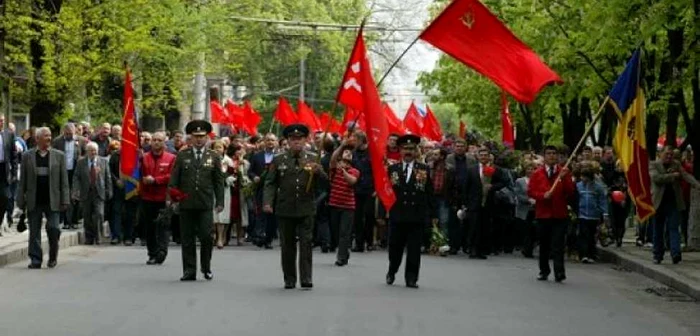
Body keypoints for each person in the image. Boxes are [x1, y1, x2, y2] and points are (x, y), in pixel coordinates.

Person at [263, 124, 326, 289]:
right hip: (285, 208)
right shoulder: (278, 159)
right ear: (288, 141)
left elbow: (326, 184)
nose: (296, 142)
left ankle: (306, 278)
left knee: (306, 243)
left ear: (305, 140)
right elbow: (270, 183)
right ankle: (289, 278)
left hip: (306, 207)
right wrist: (268, 202)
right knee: (287, 245)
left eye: (300, 139)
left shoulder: (314, 158)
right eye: (293, 139)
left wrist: (319, 172)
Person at [169, 120, 224, 281]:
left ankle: (206, 267)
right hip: (186, 203)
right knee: (187, 239)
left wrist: (220, 201)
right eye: (196, 136)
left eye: (202, 136)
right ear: (191, 138)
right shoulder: (182, 155)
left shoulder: (213, 156)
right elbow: (174, 179)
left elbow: (218, 181)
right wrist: (172, 197)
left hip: (205, 203)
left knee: (207, 237)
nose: (199, 139)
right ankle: (189, 270)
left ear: (207, 138)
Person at [386, 134, 436, 289]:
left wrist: (433, 215)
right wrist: (383, 213)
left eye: (411, 149)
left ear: (416, 151)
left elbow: (429, 193)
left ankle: (411, 278)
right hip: (397, 216)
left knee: (414, 250)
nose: (408, 152)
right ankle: (392, 270)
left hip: (416, 216)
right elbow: (386, 193)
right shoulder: (392, 169)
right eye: (405, 148)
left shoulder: (424, 169)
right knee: (395, 249)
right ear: (400, 150)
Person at [18, 127, 70, 269]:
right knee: (34, 232)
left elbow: (64, 181)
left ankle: (53, 256)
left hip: (53, 200)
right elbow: (22, 180)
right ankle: (35, 259)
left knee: (53, 229)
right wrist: (20, 200)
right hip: (34, 199)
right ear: (37, 139)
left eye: (50, 136)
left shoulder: (59, 156)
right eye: (45, 136)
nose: (49, 138)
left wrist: (65, 199)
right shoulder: (27, 156)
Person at [528, 145, 575, 283]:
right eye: (548, 153)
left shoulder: (563, 172)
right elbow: (531, 191)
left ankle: (559, 272)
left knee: (558, 244)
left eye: (554, 153)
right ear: (544, 156)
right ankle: (544, 270)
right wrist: (543, 195)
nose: (552, 156)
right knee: (544, 244)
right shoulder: (537, 173)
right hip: (543, 214)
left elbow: (570, 191)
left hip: (559, 214)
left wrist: (565, 178)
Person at [650, 146, 700, 264]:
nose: (669, 156)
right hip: (658, 202)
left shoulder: (676, 164)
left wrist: (697, 184)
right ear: (660, 154)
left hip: (673, 202)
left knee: (673, 228)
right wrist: (672, 176)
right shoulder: (653, 165)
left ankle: (676, 253)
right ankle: (658, 254)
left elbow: (686, 175)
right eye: (667, 154)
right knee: (658, 229)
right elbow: (657, 178)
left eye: (671, 155)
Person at [140, 131, 176, 264]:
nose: (156, 142)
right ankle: (152, 253)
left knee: (163, 226)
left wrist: (155, 180)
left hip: (163, 198)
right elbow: (138, 175)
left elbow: (172, 176)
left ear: (164, 142)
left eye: (159, 140)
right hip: (147, 198)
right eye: (154, 140)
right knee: (149, 227)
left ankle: (162, 251)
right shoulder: (144, 158)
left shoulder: (171, 158)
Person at [72, 142, 112, 245]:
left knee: (99, 214)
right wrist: (76, 189)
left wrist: (109, 190)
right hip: (86, 192)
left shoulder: (103, 161)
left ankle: (98, 237)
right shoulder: (81, 162)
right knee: (87, 215)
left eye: (95, 150)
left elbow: (108, 177)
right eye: (91, 150)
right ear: (87, 151)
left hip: (99, 192)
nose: (93, 152)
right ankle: (89, 238)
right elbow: (76, 177)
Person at [328, 144, 359, 266]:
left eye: (350, 153)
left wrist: (344, 170)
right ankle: (344, 251)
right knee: (335, 232)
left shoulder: (355, 171)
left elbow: (352, 181)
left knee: (344, 233)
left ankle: (341, 257)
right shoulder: (334, 167)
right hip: (334, 204)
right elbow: (332, 159)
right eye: (346, 152)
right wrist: (342, 146)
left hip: (348, 206)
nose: (348, 154)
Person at [52, 123, 86, 229]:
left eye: (71, 133)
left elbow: (86, 153)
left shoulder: (82, 141)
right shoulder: (57, 141)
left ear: (75, 132)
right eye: (66, 134)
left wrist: (82, 158)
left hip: (76, 171)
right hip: (63, 171)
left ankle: (75, 220)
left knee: (75, 195)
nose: (69, 136)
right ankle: (65, 221)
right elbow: (53, 155)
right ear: (63, 132)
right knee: (64, 195)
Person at [575, 161, 609, 263]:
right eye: (582, 176)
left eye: (585, 177)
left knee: (592, 236)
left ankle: (591, 255)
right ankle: (583, 254)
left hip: (594, 215)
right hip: (582, 214)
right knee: (583, 234)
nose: (583, 179)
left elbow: (602, 201)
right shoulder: (578, 186)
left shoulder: (598, 187)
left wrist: (605, 213)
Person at [249, 133, 278, 248]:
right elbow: (250, 171)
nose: (270, 142)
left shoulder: (280, 156)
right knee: (260, 213)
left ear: (276, 142)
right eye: (268, 140)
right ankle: (260, 236)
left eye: (272, 140)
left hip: (275, 190)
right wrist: (254, 177)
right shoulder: (257, 156)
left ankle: (269, 238)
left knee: (272, 215)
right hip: (260, 188)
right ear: (264, 142)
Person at [213, 140, 233, 249]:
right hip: (212, 190)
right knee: (212, 214)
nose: (217, 149)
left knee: (222, 215)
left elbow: (233, 174)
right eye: (215, 147)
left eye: (220, 147)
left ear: (224, 149)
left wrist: (227, 179)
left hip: (224, 190)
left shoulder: (228, 160)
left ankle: (221, 237)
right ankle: (213, 236)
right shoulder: (209, 159)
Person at [514, 161, 537, 258]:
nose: (530, 171)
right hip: (524, 209)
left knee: (534, 230)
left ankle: (530, 248)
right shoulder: (520, 181)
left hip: (535, 209)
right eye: (528, 169)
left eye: (532, 169)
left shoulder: (537, 180)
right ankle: (527, 250)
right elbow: (518, 195)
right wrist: (528, 200)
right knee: (526, 230)